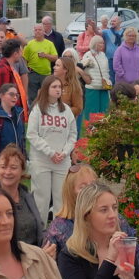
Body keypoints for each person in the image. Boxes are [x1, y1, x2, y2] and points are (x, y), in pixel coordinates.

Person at [28, 76, 79, 218]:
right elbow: (32, 135)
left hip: (62, 162)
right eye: (54, 87)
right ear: (46, 89)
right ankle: (40, 233)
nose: (58, 90)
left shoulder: (67, 110)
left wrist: (65, 152)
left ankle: (59, 233)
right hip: (41, 161)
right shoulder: (38, 109)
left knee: (61, 199)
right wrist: (50, 152)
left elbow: (73, 134)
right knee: (41, 198)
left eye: (59, 87)